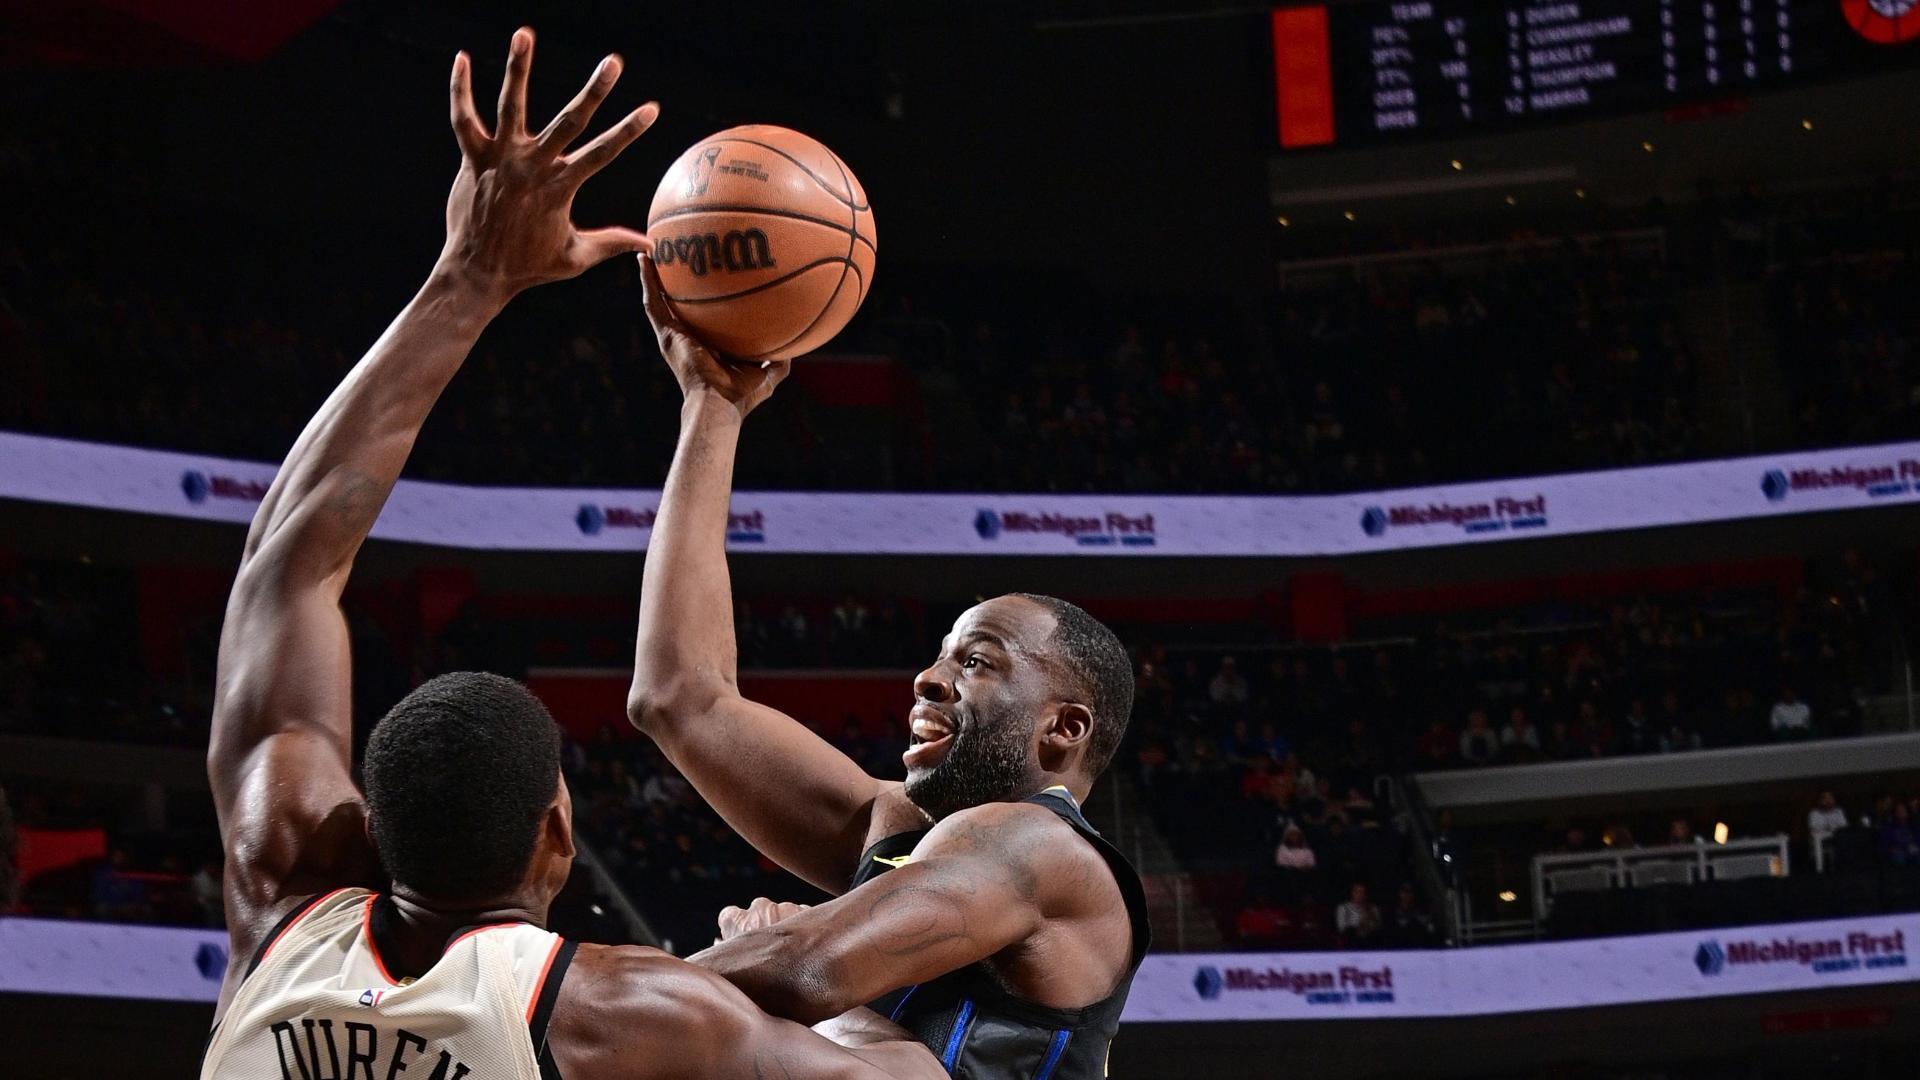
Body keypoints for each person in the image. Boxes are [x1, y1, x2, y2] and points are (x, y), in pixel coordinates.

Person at [198, 32, 939, 1080]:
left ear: (366, 819)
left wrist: (466, 279)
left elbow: (285, 562)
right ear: (559, 834)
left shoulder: (280, 904)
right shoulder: (619, 1014)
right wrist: (825, 971)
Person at [627, 259, 1150, 1076]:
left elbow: (807, 968)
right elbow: (680, 698)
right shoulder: (898, 826)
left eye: (975, 662)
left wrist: (564, 1007)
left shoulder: (1041, 847)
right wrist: (713, 408)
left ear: (1065, 726)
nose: (927, 680)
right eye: (939, 655)